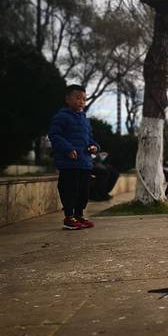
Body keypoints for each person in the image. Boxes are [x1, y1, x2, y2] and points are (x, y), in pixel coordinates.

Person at [48, 84, 99, 230]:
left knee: (83, 191)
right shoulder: (62, 116)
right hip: (69, 162)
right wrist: (68, 149)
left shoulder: (85, 119)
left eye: (84, 99)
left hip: (85, 162)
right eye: (77, 98)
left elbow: (90, 138)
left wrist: (94, 146)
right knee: (70, 189)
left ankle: (79, 215)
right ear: (67, 99)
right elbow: (54, 135)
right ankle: (69, 217)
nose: (81, 102)